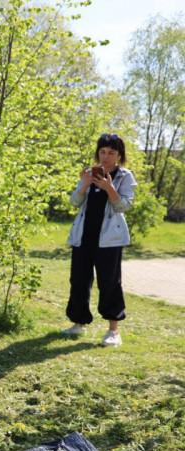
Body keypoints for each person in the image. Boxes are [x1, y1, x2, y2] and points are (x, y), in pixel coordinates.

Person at [63, 133, 136, 347]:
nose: (105, 157)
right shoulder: (89, 173)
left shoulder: (125, 176)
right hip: (83, 238)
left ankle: (114, 331)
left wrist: (109, 188)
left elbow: (125, 206)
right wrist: (84, 184)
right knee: (78, 281)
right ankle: (79, 323)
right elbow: (74, 202)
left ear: (119, 155)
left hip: (110, 240)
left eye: (111, 153)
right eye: (102, 152)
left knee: (110, 283)